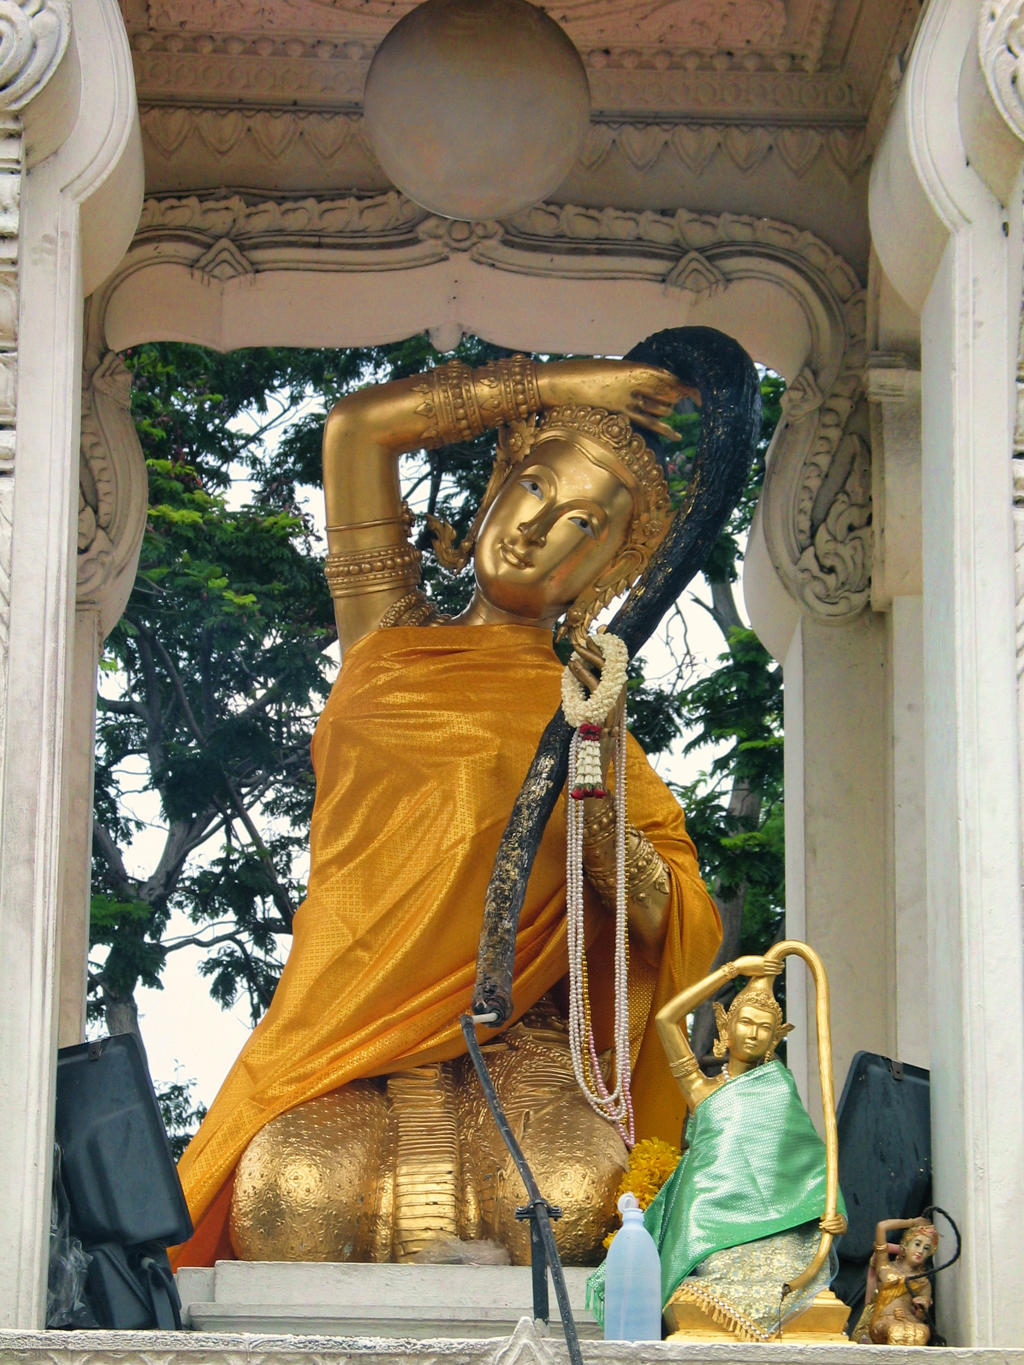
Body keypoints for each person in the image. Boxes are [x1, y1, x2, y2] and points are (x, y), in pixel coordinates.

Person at [170, 352, 722, 1269]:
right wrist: (559, 387)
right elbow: (358, 429)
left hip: (515, 1049)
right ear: (493, 489)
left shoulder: (587, 718)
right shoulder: (385, 636)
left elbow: (678, 923)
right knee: (292, 1199)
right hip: (345, 1029)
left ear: (604, 574)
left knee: (573, 1206)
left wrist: (595, 818)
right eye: (534, 487)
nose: (538, 528)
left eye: (583, 525)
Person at [587, 950, 846, 1340]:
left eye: (764, 1027)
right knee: (703, 1265)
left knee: (792, 1266)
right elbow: (665, 1019)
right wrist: (733, 970)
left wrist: (831, 1213)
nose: (753, 1033)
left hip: (777, 1223)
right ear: (725, 1028)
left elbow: (808, 1164)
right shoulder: (701, 1090)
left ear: (776, 1038)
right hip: (709, 1218)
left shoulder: (778, 1089)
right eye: (745, 1022)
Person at [852, 1217, 938, 1345]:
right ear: (905, 1245)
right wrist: (911, 1223)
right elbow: (882, 1226)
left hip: (910, 1321)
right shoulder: (886, 1268)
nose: (920, 1251)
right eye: (917, 1244)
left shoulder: (923, 1281)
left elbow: (921, 1317)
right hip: (884, 1320)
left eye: (926, 1248)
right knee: (895, 1332)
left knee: (922, 1332)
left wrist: (922, 1308)